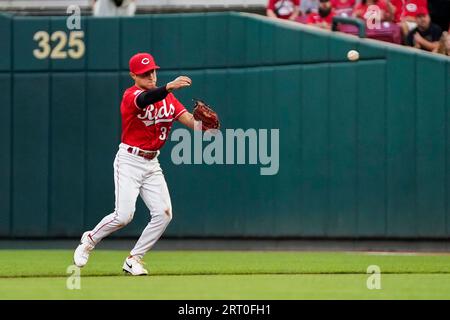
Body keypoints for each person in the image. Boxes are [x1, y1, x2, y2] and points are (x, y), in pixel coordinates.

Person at [73, 52, 200, 275]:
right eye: (144, 73)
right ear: (134, 75)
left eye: (152, 71)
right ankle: (89, 239)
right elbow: (145, 100)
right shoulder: (131, 95)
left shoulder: (168, 98)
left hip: (152, 163)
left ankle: (134, 259)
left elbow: (189, 120)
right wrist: (168, 87)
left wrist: (204, 126)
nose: (151, 76)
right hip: (130, 160)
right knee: (124, 216)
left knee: (163, 214)